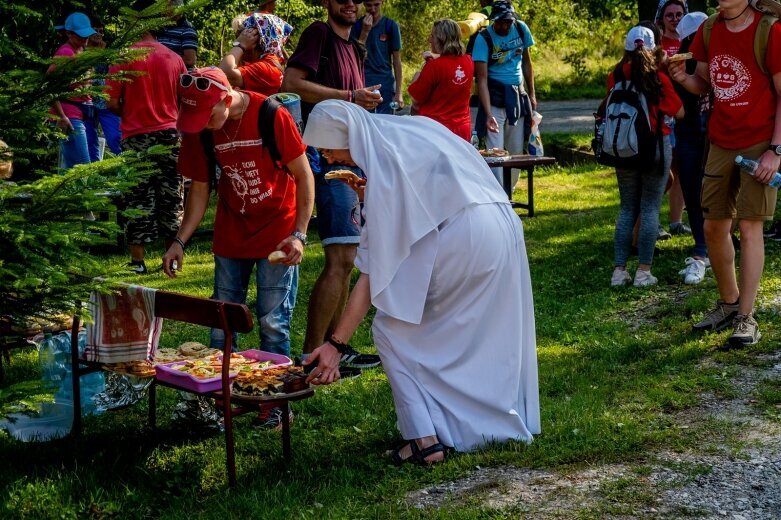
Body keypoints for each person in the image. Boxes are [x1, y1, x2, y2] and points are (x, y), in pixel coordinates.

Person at [301, 100, 540, 463]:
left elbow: (370, 276)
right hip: (500, 225)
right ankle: (472, 421)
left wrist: (335, 344)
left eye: (327, 149)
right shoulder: (406, 130)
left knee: (392, 330)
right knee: (471, 329)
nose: (328, 160)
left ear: (348, 137)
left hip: (464, 237)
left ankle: (424, 441)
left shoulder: (383, 165)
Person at [163, 67, 314, 429]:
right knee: (221, 322)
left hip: (278, 232)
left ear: (226, 98)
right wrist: (180, 240)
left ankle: (275, 402)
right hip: (232, 234)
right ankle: (219, 400)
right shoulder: (200, 133)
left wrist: (300, 234)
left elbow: (304, 175)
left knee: (272, 321)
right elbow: (199, 190)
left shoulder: (270, 114)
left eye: (207, 115)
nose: (201, 123)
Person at [669, 0, 781, 348]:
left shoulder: (770, 30)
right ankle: (730, 304)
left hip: (761, 142)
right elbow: (706, 84)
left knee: (749, 227)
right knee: (713, 226)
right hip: (721, 140)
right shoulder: (708, 29)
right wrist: (684, 78)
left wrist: (775, 151)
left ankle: (747, 319)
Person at [282, 0, 383, 370]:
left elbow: (349, 104)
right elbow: (290, 84)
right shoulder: (318, 33)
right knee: (340, 258)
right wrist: (349, 97)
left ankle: (336, 347)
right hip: (325, 161)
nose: (351, 3)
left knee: (349, 257)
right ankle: (312, 353)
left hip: (349, 160)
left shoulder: (352, 44)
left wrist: (362, 102)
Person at [107, 1, 187, 274]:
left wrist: (131, 109)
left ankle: (137, 262)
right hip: (169, 135)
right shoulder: (174, 59)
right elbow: (183, 100)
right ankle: (172, 259)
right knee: (171, 196)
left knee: (137, 198)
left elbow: (111, 103)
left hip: (135, 136)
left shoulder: (122, 58)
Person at [609, 26, 684, 288]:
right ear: (655, 48)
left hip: (624, 149)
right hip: (655, 147)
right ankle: (643, 271)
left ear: (627, 49)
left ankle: (619, 271)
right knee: (650, 207)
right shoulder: (657, 79)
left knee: (627, 207)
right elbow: (679, 110)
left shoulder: (616, 75)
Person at [472, 0, 536, 190]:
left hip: (518, 96)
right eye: (500, 22)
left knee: (515, 150)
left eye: (508, 22)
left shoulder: (521, 29)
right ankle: (498, 195)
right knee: (495, 152)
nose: (505, 26)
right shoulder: (483, 39)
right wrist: (488, 113)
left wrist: (532, 93)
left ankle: (510, 191)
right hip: (495, 97)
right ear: (493, 21)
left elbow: (527, 62)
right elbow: (481, 80)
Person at [671, 11, 710, 284]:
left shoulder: (709, 59)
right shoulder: (678, 66)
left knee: (705, 194)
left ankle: (708, 243)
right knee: (698, 194)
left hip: (706, 135)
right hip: (693, 136)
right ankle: (703, 245)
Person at [656, 0, 690, 238]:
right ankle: (651, 220)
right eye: (670, 15)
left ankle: (676, 221)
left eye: (679, 14)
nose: (675, 19)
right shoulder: (657, 42)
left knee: (681, 169)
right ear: (662, 18)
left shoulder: (690, 40)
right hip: (664, 111)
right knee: (661, 170)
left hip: (686, 109)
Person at [407, 19, 474, 141]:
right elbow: (451, 60)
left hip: (436, 132)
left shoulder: (433, 66)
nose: (429, 40)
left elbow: (415, 100)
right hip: (462, 131)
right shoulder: (468, 61)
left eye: (432, 36)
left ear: (441, 39)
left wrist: (419, 71)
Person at [48, 12, 96, 171]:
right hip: (70, 116)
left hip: (82, 114)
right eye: (81, 36)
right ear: (69, 34)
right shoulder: (65, 53)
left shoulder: (81, 49)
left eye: (87, 35)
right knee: (82, 170)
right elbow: (49, 85)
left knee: (73, 169)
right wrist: (61, 117)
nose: (85, 39)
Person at [350, 0, 403, 114]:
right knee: (365, 125)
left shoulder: (390, 26)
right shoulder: (356, 26)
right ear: (363, 4)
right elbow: (353, 57)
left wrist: (399, 93)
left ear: (382, 2)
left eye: (376, 5)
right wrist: (365, 31)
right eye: (369, 5)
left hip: (386, 85)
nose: (373, 9)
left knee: (386, 124)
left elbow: (397, 61)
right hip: (363, 83)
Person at [219, 12, 291, 95]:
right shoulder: (270, 61)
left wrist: (240, 45)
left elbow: (223, 73)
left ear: (254, 39)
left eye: (241, 37)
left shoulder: (265, 67)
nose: (236, 40)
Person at [85, 17, 122, 159]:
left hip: (105, 100)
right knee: (90, 140)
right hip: (86, 100)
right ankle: (92, 173)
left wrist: (104, 54)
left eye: (101, 31)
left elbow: (111, 72)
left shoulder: (107, 51)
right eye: (96, 30)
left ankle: (125, 168)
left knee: (115, 137)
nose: (99, 34)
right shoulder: (82, 50)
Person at [156, 0, 199, 70]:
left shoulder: (187, 29)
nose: (162, 11)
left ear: (176, 9)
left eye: (166, 7)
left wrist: (163, 60)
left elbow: (190, 60)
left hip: (179, 76)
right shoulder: (161, 26)